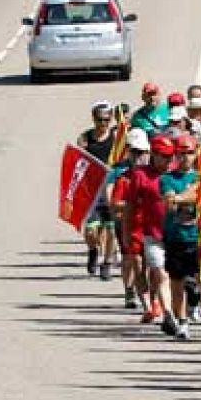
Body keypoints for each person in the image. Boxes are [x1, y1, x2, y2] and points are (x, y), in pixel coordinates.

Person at [123, 136, 176, 333]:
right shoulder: (140, 175)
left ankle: (162, 304)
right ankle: (159, 309)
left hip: (176, 233)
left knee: (168, 275)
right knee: (157, 271)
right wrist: (127, 232)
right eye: (164, 156)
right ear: (153, 154)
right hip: (150, 232)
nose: (169, 160)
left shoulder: (175, 173)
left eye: (171, 156)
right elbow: (129, 206)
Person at [158, 133, 201, 341]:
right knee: (176, 282)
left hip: (199, 236)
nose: (186, 157)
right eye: (182, 153)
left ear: (197, 153)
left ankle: (196, 305)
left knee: (199, 280)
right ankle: (182, 321)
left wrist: (181, 197)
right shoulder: (167, 178)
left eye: (190, 153)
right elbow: (169, 203)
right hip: (175, 236)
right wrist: (188, 195)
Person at [107, 127, 151, 307]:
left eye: (141, 152)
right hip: (125, 221)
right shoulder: (118, 171)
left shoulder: (152, 171)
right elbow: (111, 197)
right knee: (128, 257)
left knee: (148, 261)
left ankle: (147, 293)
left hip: (148, 223)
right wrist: (130, 205)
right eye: (134, 151)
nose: (137, 156)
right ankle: (129, 290)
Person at [78, 101, 119, 278]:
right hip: (92, 191)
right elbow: (78, 162)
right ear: (93, 119)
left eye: (107, 120)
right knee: (90, 231)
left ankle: (107, 262)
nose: (103, 124)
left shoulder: (117, 138)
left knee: (111, 229)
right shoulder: (85, 138)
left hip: (111, 189)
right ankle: (93, 250)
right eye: (100, 120)